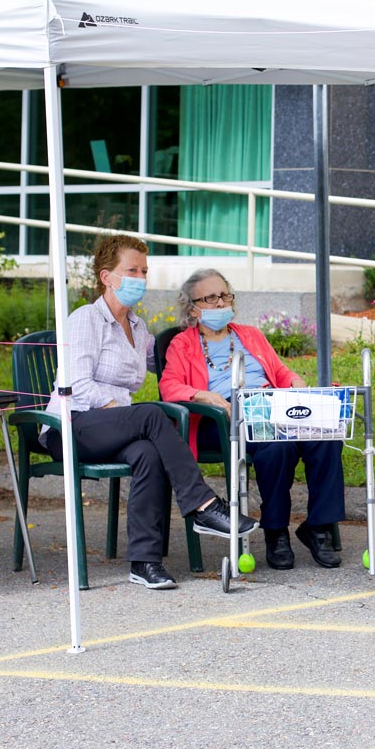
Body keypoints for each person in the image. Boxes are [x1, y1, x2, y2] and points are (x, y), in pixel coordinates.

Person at [41, 235, 257, 590]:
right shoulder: (85, 320)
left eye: (144, 270)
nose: (140, 278)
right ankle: (203, 505)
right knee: (151, 416)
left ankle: (145, 562)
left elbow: (169, 364)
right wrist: (120, 409)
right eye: (131, 270)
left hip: (112, 429)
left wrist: (202, 343)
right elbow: (74, 384)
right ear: (107, 276)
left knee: (148, 451)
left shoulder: (139, 329)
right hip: (70, 425)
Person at [159, 268, 346, 571]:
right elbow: (169, 387)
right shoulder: (183, 344)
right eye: (210, 298)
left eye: (224, 295)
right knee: (276, 447)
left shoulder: (249, 335)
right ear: (192, 307)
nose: (221, 303)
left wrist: (296, 383)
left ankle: (318, 527)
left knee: (324, 434)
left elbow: (279, 371)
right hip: (219, 419)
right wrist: (205, 396)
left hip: (269, 406)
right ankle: (276, 532)